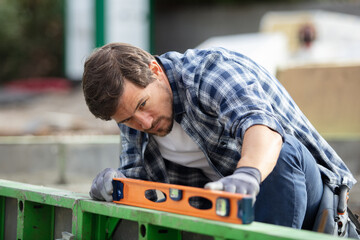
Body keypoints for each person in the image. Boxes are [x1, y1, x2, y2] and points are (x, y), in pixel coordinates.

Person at [82, 42, 357, 232]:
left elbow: (262, 129)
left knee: (282, 152)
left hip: (307, 197)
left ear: (155, 71)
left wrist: (248, 174)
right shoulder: (134, 119)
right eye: (127, 119)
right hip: (227, 213)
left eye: (142, 105)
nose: (143, 122)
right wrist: (113, 184)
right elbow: (140, 185)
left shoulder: (207, 72)